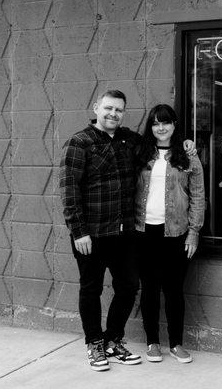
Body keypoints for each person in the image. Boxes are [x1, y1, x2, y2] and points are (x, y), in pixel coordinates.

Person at [60, 90, 195, 372]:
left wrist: (185, 144)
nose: (113, 114)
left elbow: (158, 141)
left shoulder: (128, 140)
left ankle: (113, 340)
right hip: (91, 234)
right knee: (91, 288)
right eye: (108, 108)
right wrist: (78, 231)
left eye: (119, 110)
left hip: (123, 234)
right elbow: (69, 190)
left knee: (128, 287)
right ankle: (95, 344)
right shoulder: (79, 142)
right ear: (96, 107)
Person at [134, 104, 205, 364]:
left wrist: (194, 232)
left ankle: (176, 343)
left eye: (165, 123)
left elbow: (198, 195)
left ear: (174, 125)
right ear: (150, 127)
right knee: (149, 289)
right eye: (155, 123)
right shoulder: (141, 152)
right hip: (144, 231)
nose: (160, 128)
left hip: (176, 233)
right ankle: (152, 342)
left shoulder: (187, 156)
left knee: (174, 290)